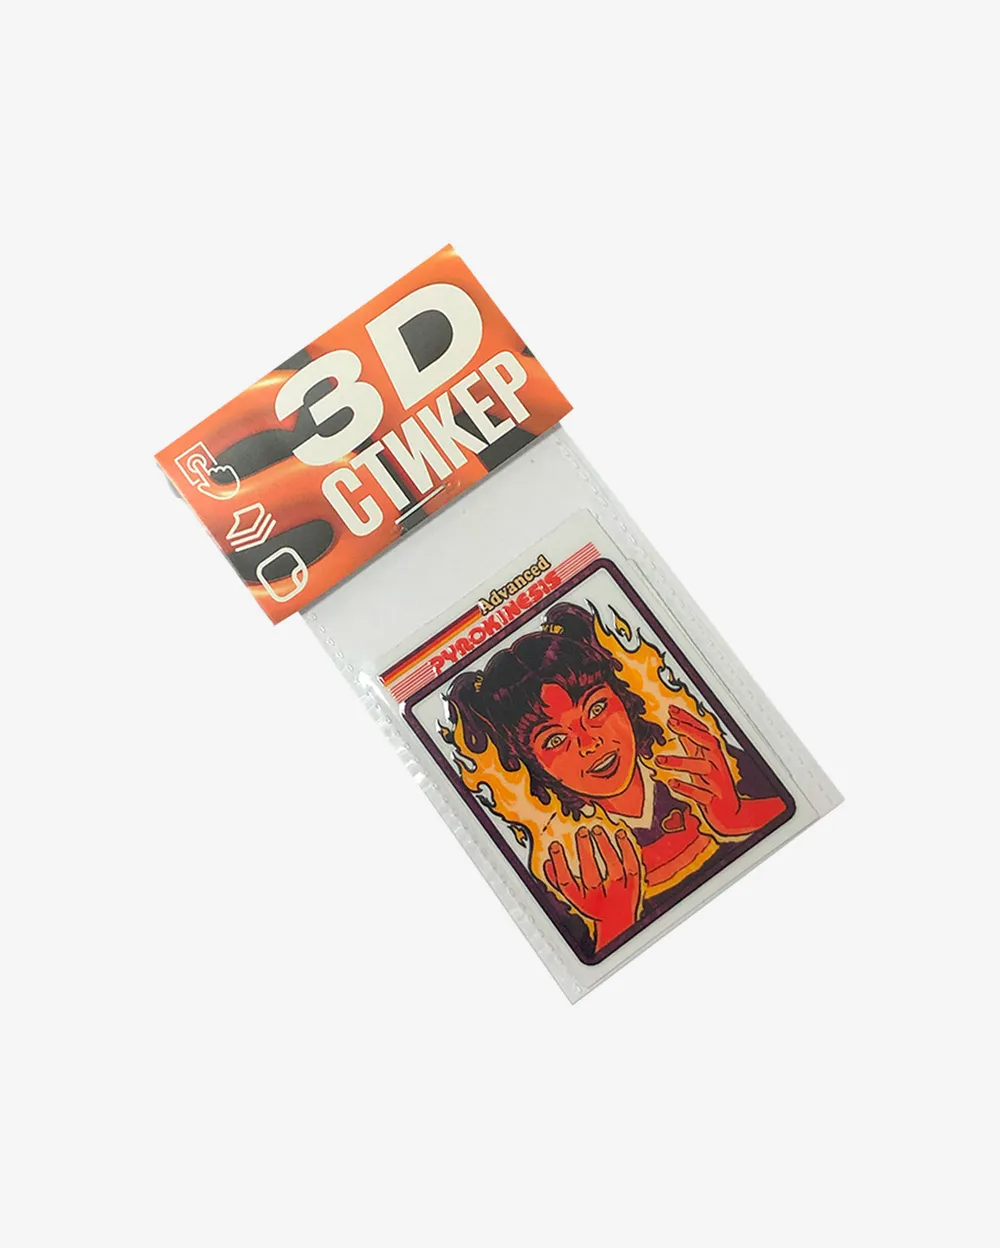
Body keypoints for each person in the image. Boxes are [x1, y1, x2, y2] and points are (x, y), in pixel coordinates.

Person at [447, 602, 787, 953]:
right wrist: (614, 922)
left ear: (623, 699)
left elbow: (796, 811)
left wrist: (738, 816)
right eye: (555, 740)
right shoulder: (564, 865)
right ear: (535, 766)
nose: (590, 743)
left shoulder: (702, 771)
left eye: (596, 708)